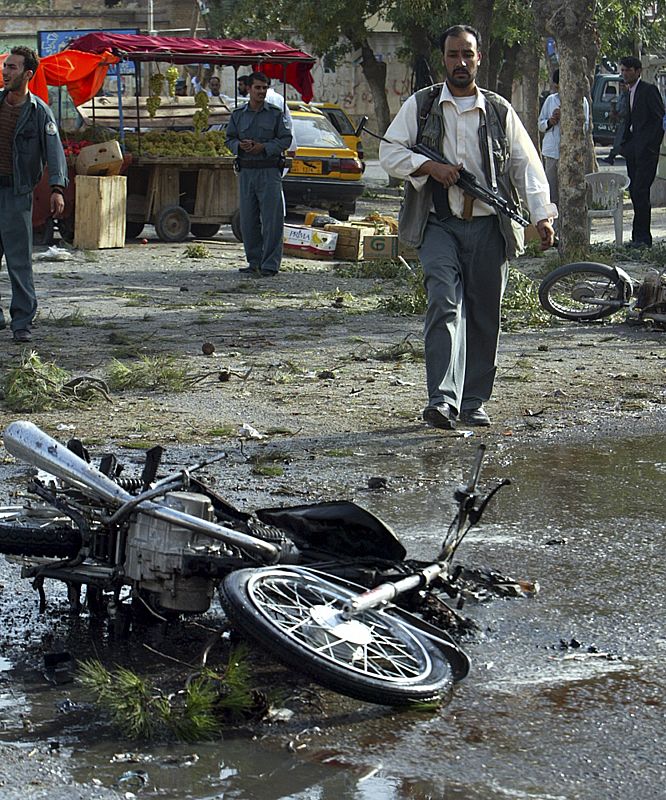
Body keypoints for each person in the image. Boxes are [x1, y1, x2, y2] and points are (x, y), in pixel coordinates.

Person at [379, 24, 556, 429]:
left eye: (467, 54)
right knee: (444, 302)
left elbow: (526, 165)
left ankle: (473, 401)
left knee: (484, 315)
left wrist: (542, 213)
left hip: (488, 227)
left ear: (479, 58)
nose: (461, 62)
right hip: (438, 225)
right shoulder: (422, 106)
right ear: (444, 58)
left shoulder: (497, 110)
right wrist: (429, 167)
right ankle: (441, 399)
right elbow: (390, 152)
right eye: (453, 54)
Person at [0, 46, 67, 343]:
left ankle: (22, 321)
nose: (5, 72)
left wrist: (57, 188)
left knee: (18, 261)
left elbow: (54, 151)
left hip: (17, 193)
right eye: (5, 66)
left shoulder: (40, 112)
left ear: (27, 74)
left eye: (12, 68)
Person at [225, 71, 292, 276]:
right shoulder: (238, 115)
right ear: (249, 89)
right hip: (247, 172)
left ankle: (270, 265)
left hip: (269, 171)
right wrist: (240, 146)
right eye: (257, 88)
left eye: (264, 88)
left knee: (272, 220)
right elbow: (229, 139)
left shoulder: (275, 114)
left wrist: (263, 147)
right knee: (248, 220)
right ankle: (254, 261)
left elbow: (285, 139)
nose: (261, 92)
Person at [619, 55, 665, 248]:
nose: (625, 74)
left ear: (638, 71)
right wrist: (625, 146)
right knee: (635, 192)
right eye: (623, 70)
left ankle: (644, 238)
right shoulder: (628, 92)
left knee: (641, 191)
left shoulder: (648, 90)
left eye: (628, 70)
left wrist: (650, 145)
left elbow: (659, 120)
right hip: (633, 152)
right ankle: (637, 237)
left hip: (646, 151)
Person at [537, 69, 590, 214]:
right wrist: (551, 121)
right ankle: (553, 225)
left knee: (571, 191)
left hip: (572, 153)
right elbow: (541, 124)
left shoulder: (581, 101)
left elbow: (585, 126)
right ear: (557, 85)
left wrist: (569, 118)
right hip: (552, 152)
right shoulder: (550, 100)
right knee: (552, 191)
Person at [602, 81, 628, 164]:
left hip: (626, 122)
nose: (622, 88)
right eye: (620, 86)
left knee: (619, 142)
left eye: (623, 86)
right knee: (619, 141)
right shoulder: (621, 96)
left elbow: (626, 110)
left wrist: (618, 114)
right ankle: (611, 156)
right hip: (621, 121)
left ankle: (612, 156)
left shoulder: (629, 96)